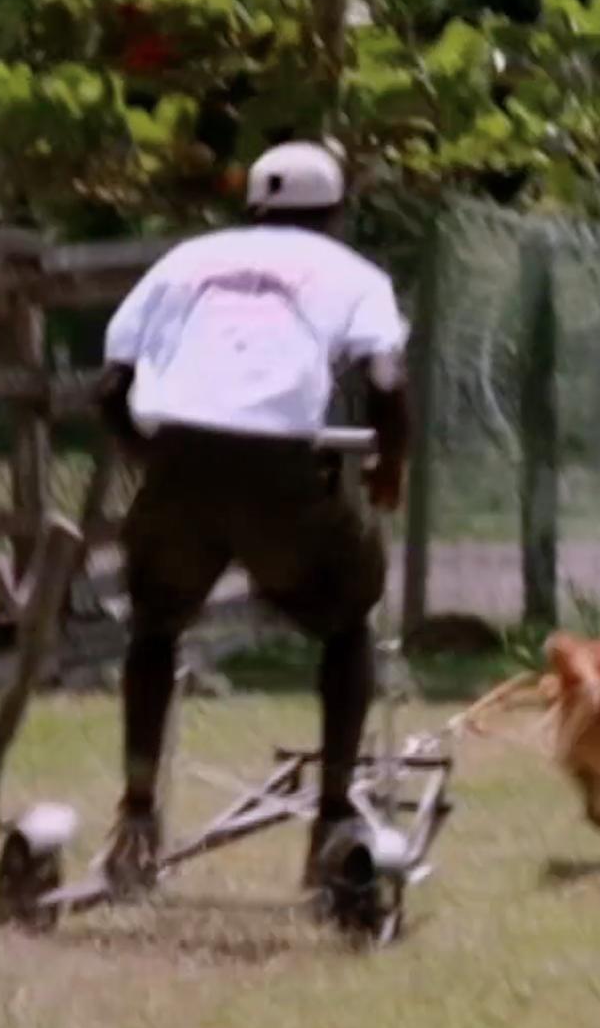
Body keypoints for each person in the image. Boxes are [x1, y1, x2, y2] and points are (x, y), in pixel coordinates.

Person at [93, 139, 411, 895]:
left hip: (178, 464)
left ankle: (138, 813)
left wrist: (153, 459)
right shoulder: (353, 274)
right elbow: (387, 378)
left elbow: (110, 383)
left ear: (251, 210)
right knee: (346, 622)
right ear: (335, 214)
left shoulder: (183, 261)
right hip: (280, 475)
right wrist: (388, 465)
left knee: (155, 627)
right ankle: (334, 815)